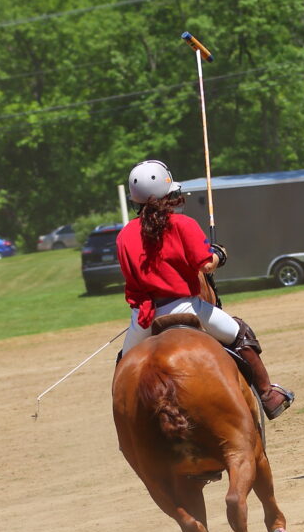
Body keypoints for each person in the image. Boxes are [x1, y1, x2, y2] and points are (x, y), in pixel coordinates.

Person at [116, 159, 293, 418]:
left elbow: (131, 277)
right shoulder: (183, 224)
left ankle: (125, 419)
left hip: (146, 316)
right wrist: (219, 254)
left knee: (124, 365)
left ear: (136, 200)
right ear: (168, 195)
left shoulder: (124, 236)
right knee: (240, 333)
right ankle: (269, 395)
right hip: (188, 307)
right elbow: (207, 266)